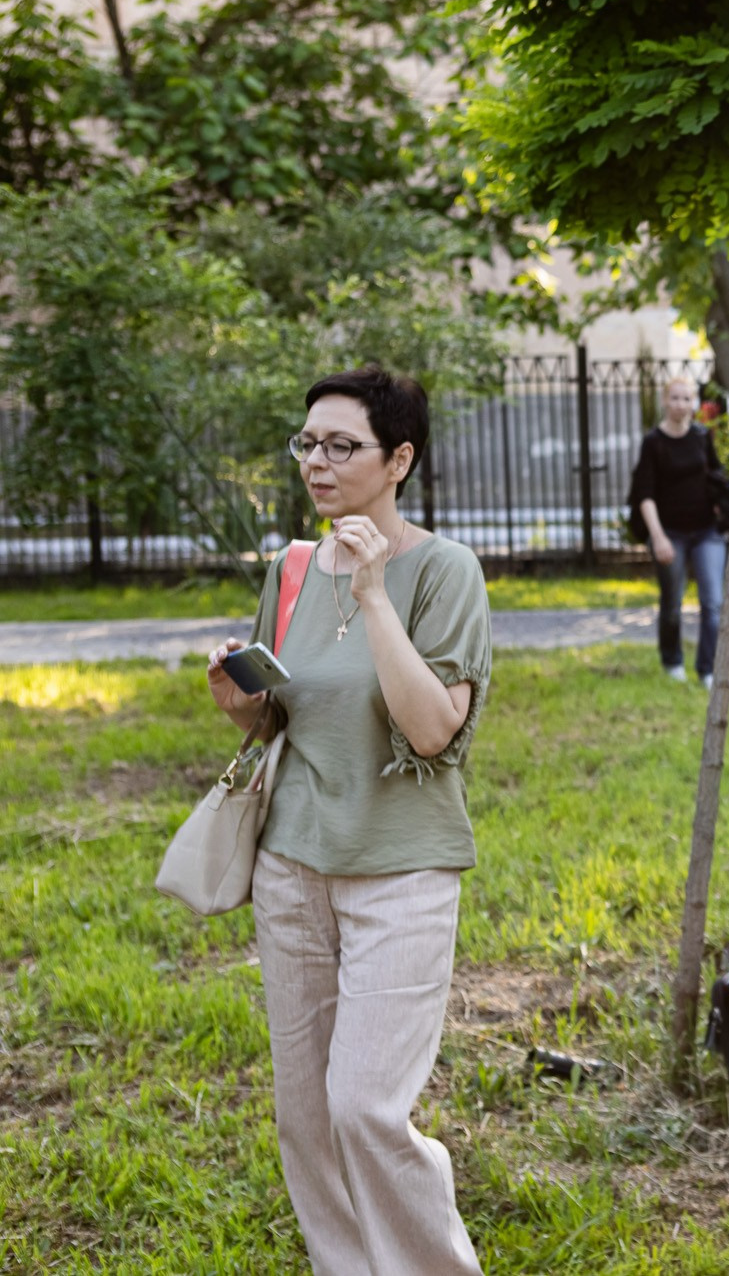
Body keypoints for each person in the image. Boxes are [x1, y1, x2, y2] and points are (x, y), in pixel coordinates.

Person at [204, 366, 490, 1274]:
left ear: (398, 458)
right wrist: (236, 699)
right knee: (306, 1112)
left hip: (401, 871)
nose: (317, 464)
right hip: (291, 868)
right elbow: (283, 716)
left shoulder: (442, 571)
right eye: (307, 444)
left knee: (365, 1106)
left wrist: (373, 593)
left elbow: (434, 727)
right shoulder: (291, 567)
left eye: (341, 446)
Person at [628, 376, 729, 686]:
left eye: (686, 398)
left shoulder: (702, 436)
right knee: (672, 604)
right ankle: (672, 662)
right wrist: (657, 537)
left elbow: (717, 475)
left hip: (706, 532)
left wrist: (720, 504)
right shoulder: (654, 442)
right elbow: (644, 494)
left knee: (713, 602)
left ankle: (708, 670)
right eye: (674, 398)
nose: (680, 404)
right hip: (669, 533)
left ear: (694, 404)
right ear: (665, 401)